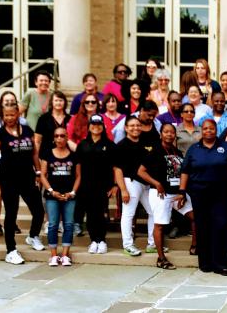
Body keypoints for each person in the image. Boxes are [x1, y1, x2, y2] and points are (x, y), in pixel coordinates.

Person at [180, 119, 227, 275]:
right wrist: (182, 191)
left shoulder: (226, 147)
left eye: (211, 128)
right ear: (202, 130)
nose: (208, 131)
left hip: (221, 195)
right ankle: (205, 263)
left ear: (215, 129)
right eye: (205, 128)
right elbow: (185, 171)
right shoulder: (194, 149)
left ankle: (222, 264)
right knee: (203, 227)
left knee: (220, 228)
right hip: (199, 195)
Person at [0, 103, 46, 265]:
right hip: (8, 178)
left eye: (12, 115)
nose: (9, 118)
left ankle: (33, 236)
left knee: (38, 210)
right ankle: (11, 250)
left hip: (27, 176)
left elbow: (34, 153)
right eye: (5, 115)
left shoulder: (27, 130)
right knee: (11, 214)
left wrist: (37, 172)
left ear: (18, 115)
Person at [138, 123, 196, 269]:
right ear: (161, 134)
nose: (169, 134)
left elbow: (182, 174)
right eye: (166, 132)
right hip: (161, 194)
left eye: (172, 132)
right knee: (160, 225)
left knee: (195, 217)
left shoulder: (178, 153)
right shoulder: (155, 152)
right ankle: (161, 258)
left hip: (177, 194)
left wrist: (182, 193)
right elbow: (141, 171)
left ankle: (195, 246)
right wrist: (156, 183)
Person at [112, 116, 157, 256]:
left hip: (145, 183)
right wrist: (123, 189)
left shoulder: (145, 143)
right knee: (128, 214)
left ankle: (152, 243)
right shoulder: (121, 145)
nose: (135, 128)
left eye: (138, 125)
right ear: (126, 128)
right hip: (130, 182)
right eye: (132, 126)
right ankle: (128, 245)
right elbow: (117, 169)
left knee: (154, 212)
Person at [39, 127, 80, 266]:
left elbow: (79, 176)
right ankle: (54, 255)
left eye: (62, 136)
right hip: (52, 196)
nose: (59, 139)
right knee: (53, 225)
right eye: (56, 136)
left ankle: (65, 255)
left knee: (68, 224)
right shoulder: (47, 154)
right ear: (53, 138)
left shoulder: (74, 156)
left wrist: (73, 192)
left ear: (67, 137)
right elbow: (43, 175)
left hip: (69, 195)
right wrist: (51, 191)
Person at [0, 91, 27, 236]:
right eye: (7, 102)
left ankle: (12, 222)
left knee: (13, 196)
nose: (10, 104)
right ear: (1, 104)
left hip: (18, 164)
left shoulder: (23, 122)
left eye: (12, 101)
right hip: (1, 162)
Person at [75, 114, 113, 255]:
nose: (96, 127)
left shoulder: (109, 145)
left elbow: (115, 167)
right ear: (89, 126)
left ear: (103, 127)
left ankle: (101, 240)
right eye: (93, 124)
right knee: (90, 214)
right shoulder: (82, 145)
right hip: (86, 186)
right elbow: (77, 166)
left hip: (103, 186)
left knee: (101, 213)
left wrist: (114, 185)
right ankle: (93, 240)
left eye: (99, 125)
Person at [34, 91, 70, 172]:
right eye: (56, 100)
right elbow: (37, 141)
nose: (58, 103)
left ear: (64, 102)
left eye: (61, 100)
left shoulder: (70, 119)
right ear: (52, 102)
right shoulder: (43, 119)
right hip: (46, 157)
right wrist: (37, 159)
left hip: (65, 158)